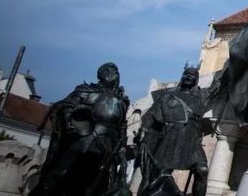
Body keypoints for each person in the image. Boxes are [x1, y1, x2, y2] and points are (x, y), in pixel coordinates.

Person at [31, 63, 132, 196]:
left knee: (93, 181)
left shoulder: (121, 100)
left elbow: (122, 124)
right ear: (105, 74)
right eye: (114, 73)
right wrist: (72, 125)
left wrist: (122, 144)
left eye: (117, 73)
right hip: (84, 139)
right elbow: (68, 107)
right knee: (61, 174)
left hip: (107, 146)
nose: (117, 76)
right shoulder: (86, 91)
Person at [136, 63, 215, 196]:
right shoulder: (168, 96)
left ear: (197, 79)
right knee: (160, 172)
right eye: (186, 74)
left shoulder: (202, 95)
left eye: (192, 75)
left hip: (192, 139)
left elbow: (217, 87)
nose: (189, 76)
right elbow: (150, 115)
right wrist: (142, 131)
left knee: (202, 170)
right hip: (171, 136)